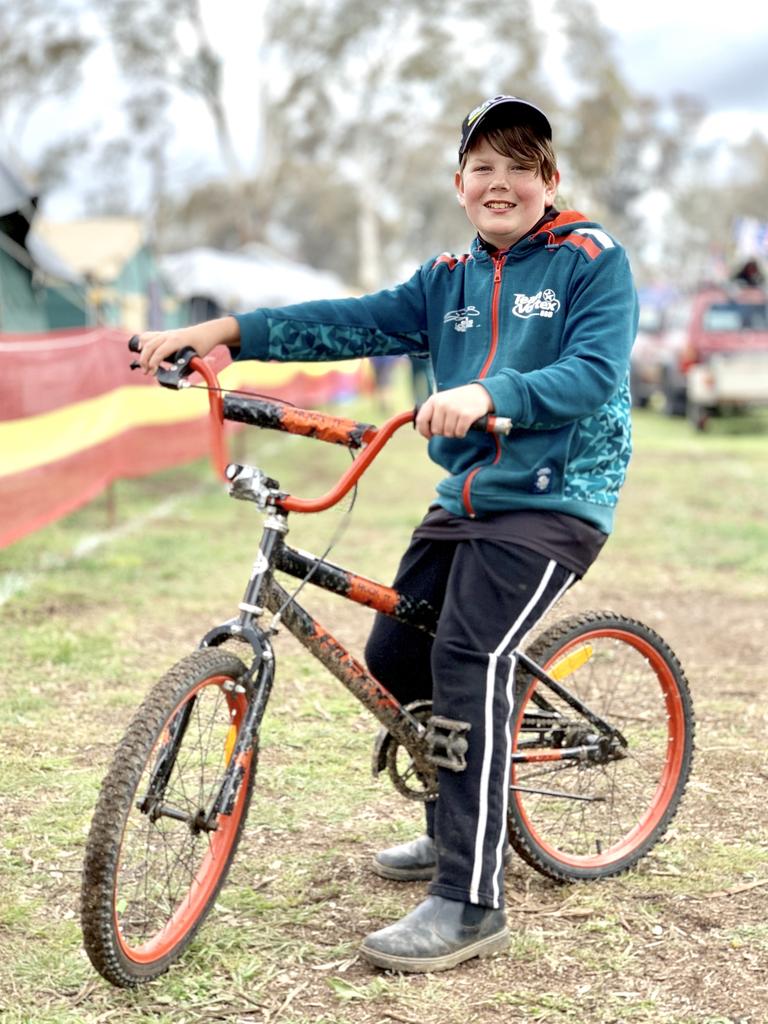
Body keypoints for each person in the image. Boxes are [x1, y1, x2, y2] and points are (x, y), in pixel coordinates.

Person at [136, 94, 638, 974]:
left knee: (468, 660)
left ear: (549, 180)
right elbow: (351, 320)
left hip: (559, 498)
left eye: (520, 165)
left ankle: (471, 900)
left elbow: (591, 373)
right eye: (482, 167)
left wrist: (492, 395)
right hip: (469, 499)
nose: (500, 182)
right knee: (400, 656)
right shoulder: (444, 278)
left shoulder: (593, 262)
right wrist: (225, 334)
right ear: (458, 184)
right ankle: (454, 822)